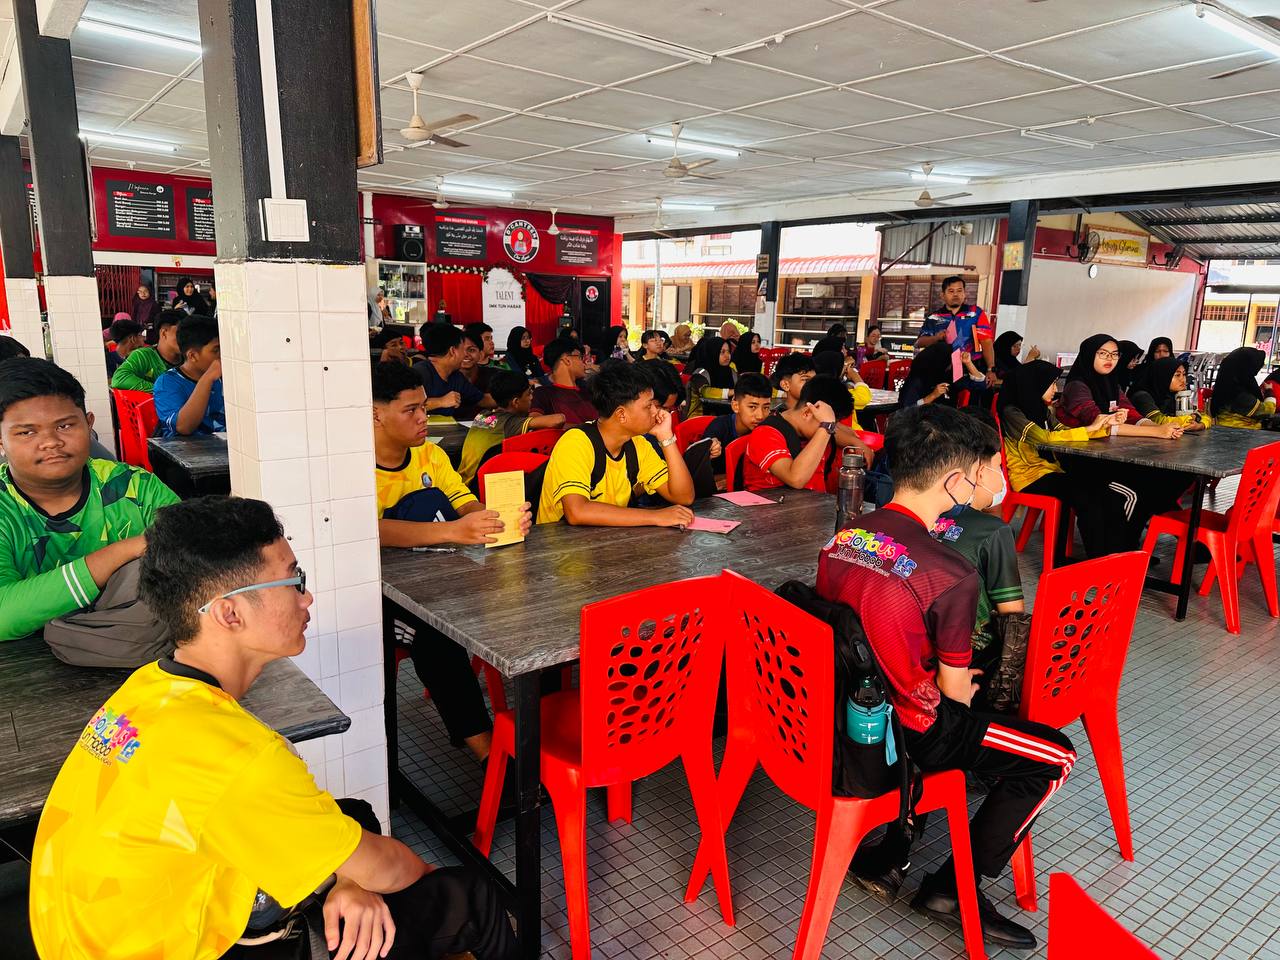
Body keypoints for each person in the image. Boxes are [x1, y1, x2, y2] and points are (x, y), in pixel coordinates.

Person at [28, 493, 519, 960]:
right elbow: (391, 870)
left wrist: (345, 878)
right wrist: (382, 876)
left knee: (353, 815)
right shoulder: (239, 756)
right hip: (180, 948)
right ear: (230, 612)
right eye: (292, 580)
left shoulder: (148, 687)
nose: (307, 597)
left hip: (96, 934)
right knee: (468, 894)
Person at [821, 404, 1075, 950]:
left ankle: (904, 846)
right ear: (958, 482)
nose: (989, 481)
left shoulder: (845, 536)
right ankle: (954, 888)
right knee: (1056, 754)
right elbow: (954, 696)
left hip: (840, 716)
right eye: (984, 471)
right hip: (911, 733)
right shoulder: (951, 571)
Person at [373, 361, 531, 768]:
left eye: (424, 407)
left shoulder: (430, 454)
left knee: (519, 590)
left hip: (443, 577)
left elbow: (463, 502)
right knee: (435, 636)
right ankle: (488, 752)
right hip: (382, 599)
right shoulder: (353, 470)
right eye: (411, 410)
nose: (423, 417)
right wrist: (453, 531)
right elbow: (371, 531)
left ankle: (537, 722)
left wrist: (494, 519)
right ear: (375, 415)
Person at [0, 358, 178, 642]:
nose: (51, 442)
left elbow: (199, 560)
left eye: (65, 426)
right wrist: (125, 550)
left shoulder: (135, 487)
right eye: (27, 432)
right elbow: (3, 614)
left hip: (136, 650)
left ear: (89, 424)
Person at [998, 359, 1142, 558]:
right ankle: (1097, 559)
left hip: (1051, 470)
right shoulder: (1012, 412)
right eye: (1052, 384)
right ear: (1036, 383)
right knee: (1085, 495)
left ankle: (1117, 555)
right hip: (1029, 477)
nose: (1056, 389)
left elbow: (1064, 431)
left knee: (1106, 493)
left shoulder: (1041, 409)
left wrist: (1104, 425)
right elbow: (1045, 438)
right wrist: (1090, 428)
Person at [537, 361, 695, 527]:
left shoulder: (638, 444)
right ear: (621, 415)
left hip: (605, 539)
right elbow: (577, 512)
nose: (657, 412)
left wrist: (666, 437)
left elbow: (684, 496)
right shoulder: (576, 443)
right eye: (649, 406)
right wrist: (656, 516)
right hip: (559, 541)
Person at [932, 409, 1025, 674]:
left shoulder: (923, 513)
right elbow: (1012, 617)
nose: (1002, 476)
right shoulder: (993, 531)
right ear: (981, 472)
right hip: (971, 661)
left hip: (921, 652)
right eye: (999, 466)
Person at [1057, 335, 1184, 439]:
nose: (1110, 358)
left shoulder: (1111, 383)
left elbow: (1131, 414)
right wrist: (1157, 432)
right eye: (1103, 353)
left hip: (1106, 444)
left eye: (1114, 354)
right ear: (1089, 354)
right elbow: (1101, 424)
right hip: (1075, 448)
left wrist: (1162, 428)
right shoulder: (1076, 386)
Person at [742, 375, 852, 494]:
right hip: (770, 504)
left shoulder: (813, 433)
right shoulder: (765, 434)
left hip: (812, 503)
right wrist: (825, 427)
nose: (832, 430)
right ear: (807, 413)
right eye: (830, 424)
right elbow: (796, 479)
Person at [457, 369, 566, 483]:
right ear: (515, 402)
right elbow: (558, 420)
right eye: (529, 393)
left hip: (462, 479)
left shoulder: (482, 415)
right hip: (476, 485)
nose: (531, 398)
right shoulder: (509, 423)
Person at [916, 276, 995, 387]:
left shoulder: (975, 313)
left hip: (971, 368)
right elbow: (919, 342)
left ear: (964, 293)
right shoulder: (934, 317)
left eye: (959, 290)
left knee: (971, 397)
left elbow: (986, 341)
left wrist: (991, 369)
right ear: (942, 295)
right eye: (951, 291)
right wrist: (936, 338)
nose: (956, 294)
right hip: (942, 370)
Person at [153, 314, 224, 437]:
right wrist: (207, 378)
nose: (221, 355)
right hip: (185, 447)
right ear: (192, 356)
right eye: (216, 350)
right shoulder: (167, 383)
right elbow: (183, 427)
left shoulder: (220, 380)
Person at [413, 322, 494, 418]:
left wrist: (508, 399)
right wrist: (440, 402)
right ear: (452, 351)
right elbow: (406, 406)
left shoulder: (456, 377)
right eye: (462, 349)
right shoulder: (418, 373)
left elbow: (483, 400)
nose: (465, 355)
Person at [703, 371, 772, 470]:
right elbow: (701, 456)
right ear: (736, 406)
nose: (760, 416)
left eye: (766, 408)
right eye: (752, 407)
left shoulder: (767, 430)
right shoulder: (719, 427)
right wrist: (711, 447)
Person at [110, 309, 183, 392]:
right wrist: (163, 391)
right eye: (140, 335)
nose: (187, 338)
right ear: (164, 333)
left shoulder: (189, 357)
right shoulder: (143, 355)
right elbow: (118, 379)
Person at [530, 337, 597, 425]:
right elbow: (535, 422)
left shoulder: (589, 391)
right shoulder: (543, 393)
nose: (584, 363)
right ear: (567, 360)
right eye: (580, 357)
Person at [1129, 357, 1207, 430]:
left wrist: (1200, 425)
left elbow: (1203, 415)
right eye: (1177, 375)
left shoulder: (1174, 394)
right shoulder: (1141, 396)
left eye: (1184, 374)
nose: (1183, 379)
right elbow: (1160, 421)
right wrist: (1191, 418)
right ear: (1163, 376)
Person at [1210, 346, 1275, 428]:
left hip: (1227, 427)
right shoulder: (1239, 394)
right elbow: (1268, 411)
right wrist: (1269, 391)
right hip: (1241, 430)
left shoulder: (1225, 383)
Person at [460, 324, 494, 397]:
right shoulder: (446, 378)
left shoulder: (495, 377)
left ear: (480, 354)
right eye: (460, 350)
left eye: (471, 350)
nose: (465, 354)